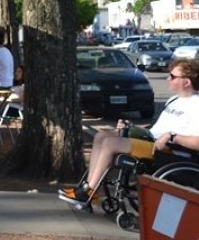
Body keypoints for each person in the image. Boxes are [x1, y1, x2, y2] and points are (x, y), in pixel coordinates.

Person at [59, 58, 199, 206]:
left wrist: (173, 137)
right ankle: (87, 188)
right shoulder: (174, 100)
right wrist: (132, 127)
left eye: (172, 76)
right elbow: (158, 128)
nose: (167, 79)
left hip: (169, 151)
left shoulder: (196, 105)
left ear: (187, 82)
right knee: (101, 136)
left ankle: (90, 191)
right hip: (151, 140)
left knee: (110, 143)